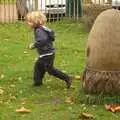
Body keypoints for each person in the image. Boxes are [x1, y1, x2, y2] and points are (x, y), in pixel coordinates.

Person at [26, 11, 72, 89]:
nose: (28, 23)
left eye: (30, 21)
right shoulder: (43, 28)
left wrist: (34, 45)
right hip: (47, 53)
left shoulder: (38, 30)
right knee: (38, 66)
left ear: (35, 22)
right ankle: (37, 82)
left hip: (46, 54)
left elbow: (42, 40)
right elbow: (51, 36)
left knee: (50, 70)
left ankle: (67, 78)